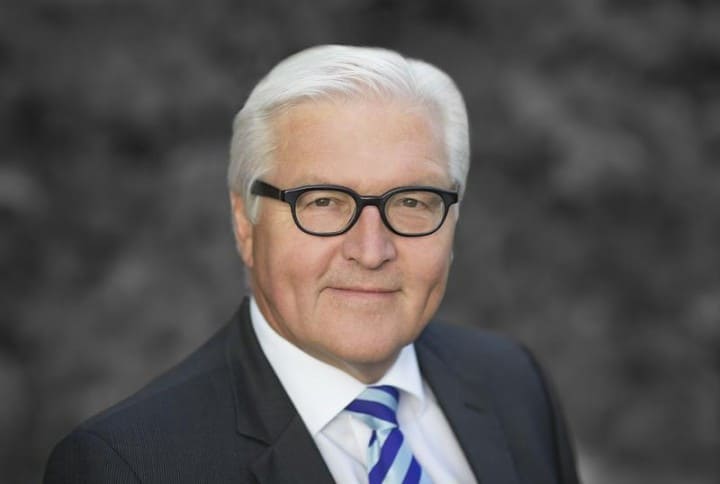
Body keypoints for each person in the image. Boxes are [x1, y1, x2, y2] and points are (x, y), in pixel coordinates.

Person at [44, 45, 580, 484]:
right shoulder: (127, 467)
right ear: (245, 223)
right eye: (323, 202)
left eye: (412, 202)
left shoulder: (514, 384)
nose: (371, 250)